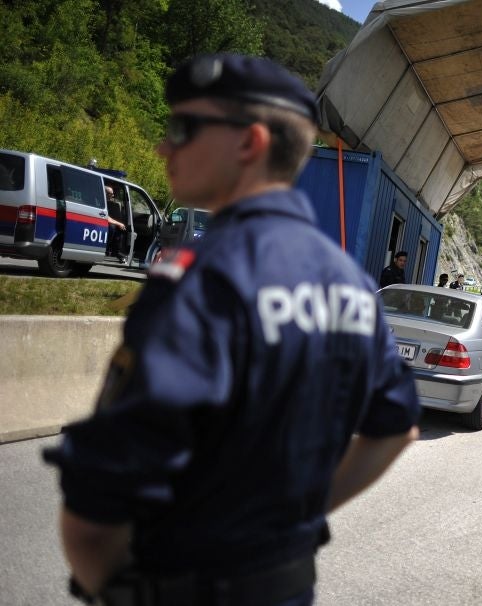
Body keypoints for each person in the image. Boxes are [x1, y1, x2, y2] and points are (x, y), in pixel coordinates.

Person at [43, 53, 421, 606]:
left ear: (249, 143)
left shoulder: (203, 280)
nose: (163, 147)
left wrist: (120, 590)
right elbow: (395, 429)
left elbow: (98, 505)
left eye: (184, 128)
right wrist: (298, 516)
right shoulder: (353, 286)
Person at [104, 186, 127, 261]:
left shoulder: (111, 203)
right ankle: (106, 249)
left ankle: (116, 252)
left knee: (119, 229)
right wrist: (119, 224)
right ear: (105, 193)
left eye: (113, 194)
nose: (113, 196)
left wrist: (119, 224)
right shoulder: (101, 201)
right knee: (112, 227)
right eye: (111, 194)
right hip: (99, 222)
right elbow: (106, 217)